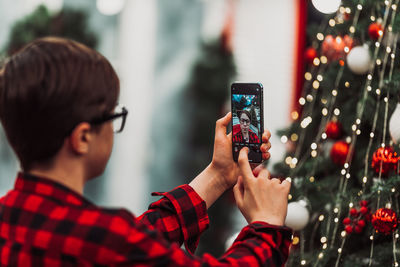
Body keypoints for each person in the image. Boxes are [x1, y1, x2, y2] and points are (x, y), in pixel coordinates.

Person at [0, 37, 292, 266]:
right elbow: (124, 247)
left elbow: (138, 241)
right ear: (83, 137)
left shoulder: (10, 218)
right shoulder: (104, 241)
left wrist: (217, 175)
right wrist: (266, 227)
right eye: (113, 115)